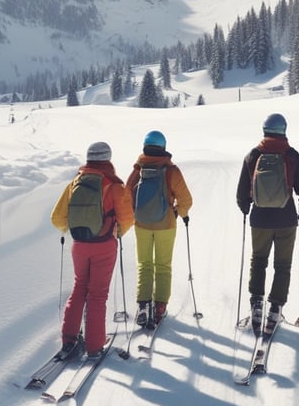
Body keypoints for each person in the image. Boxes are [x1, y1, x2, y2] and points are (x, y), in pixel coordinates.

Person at [50, 141, 134, 358]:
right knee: (97, 295)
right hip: (104, 245)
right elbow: (127, 218)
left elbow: (57, 218)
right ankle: (94, 346)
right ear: (108, 159)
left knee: (79, 288)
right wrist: (115, 232)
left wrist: (75, 230)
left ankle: (68, 340)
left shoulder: (74, 183)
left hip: (79, 245)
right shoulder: (114, 185)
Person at [236, 113, 299, 336]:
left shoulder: (253, 155)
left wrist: (246, 208)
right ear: (284, 130)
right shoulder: (292, 156)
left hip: (259, 220)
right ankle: (275, 308)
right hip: (286, 219)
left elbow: (242, 193)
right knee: (283, 265)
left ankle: (256, 304)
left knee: (258, 260)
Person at [126, 130, 193, 327]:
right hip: (166, 226)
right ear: (163, 147)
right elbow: (186, 200)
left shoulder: (137, 170)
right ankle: (160, 307)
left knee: (144, 265)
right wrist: (178, 213)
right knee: (163, 266)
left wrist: (134, 214)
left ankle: (143, 306)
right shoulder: (171, 171)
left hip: (141, 225)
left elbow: (126, 196)